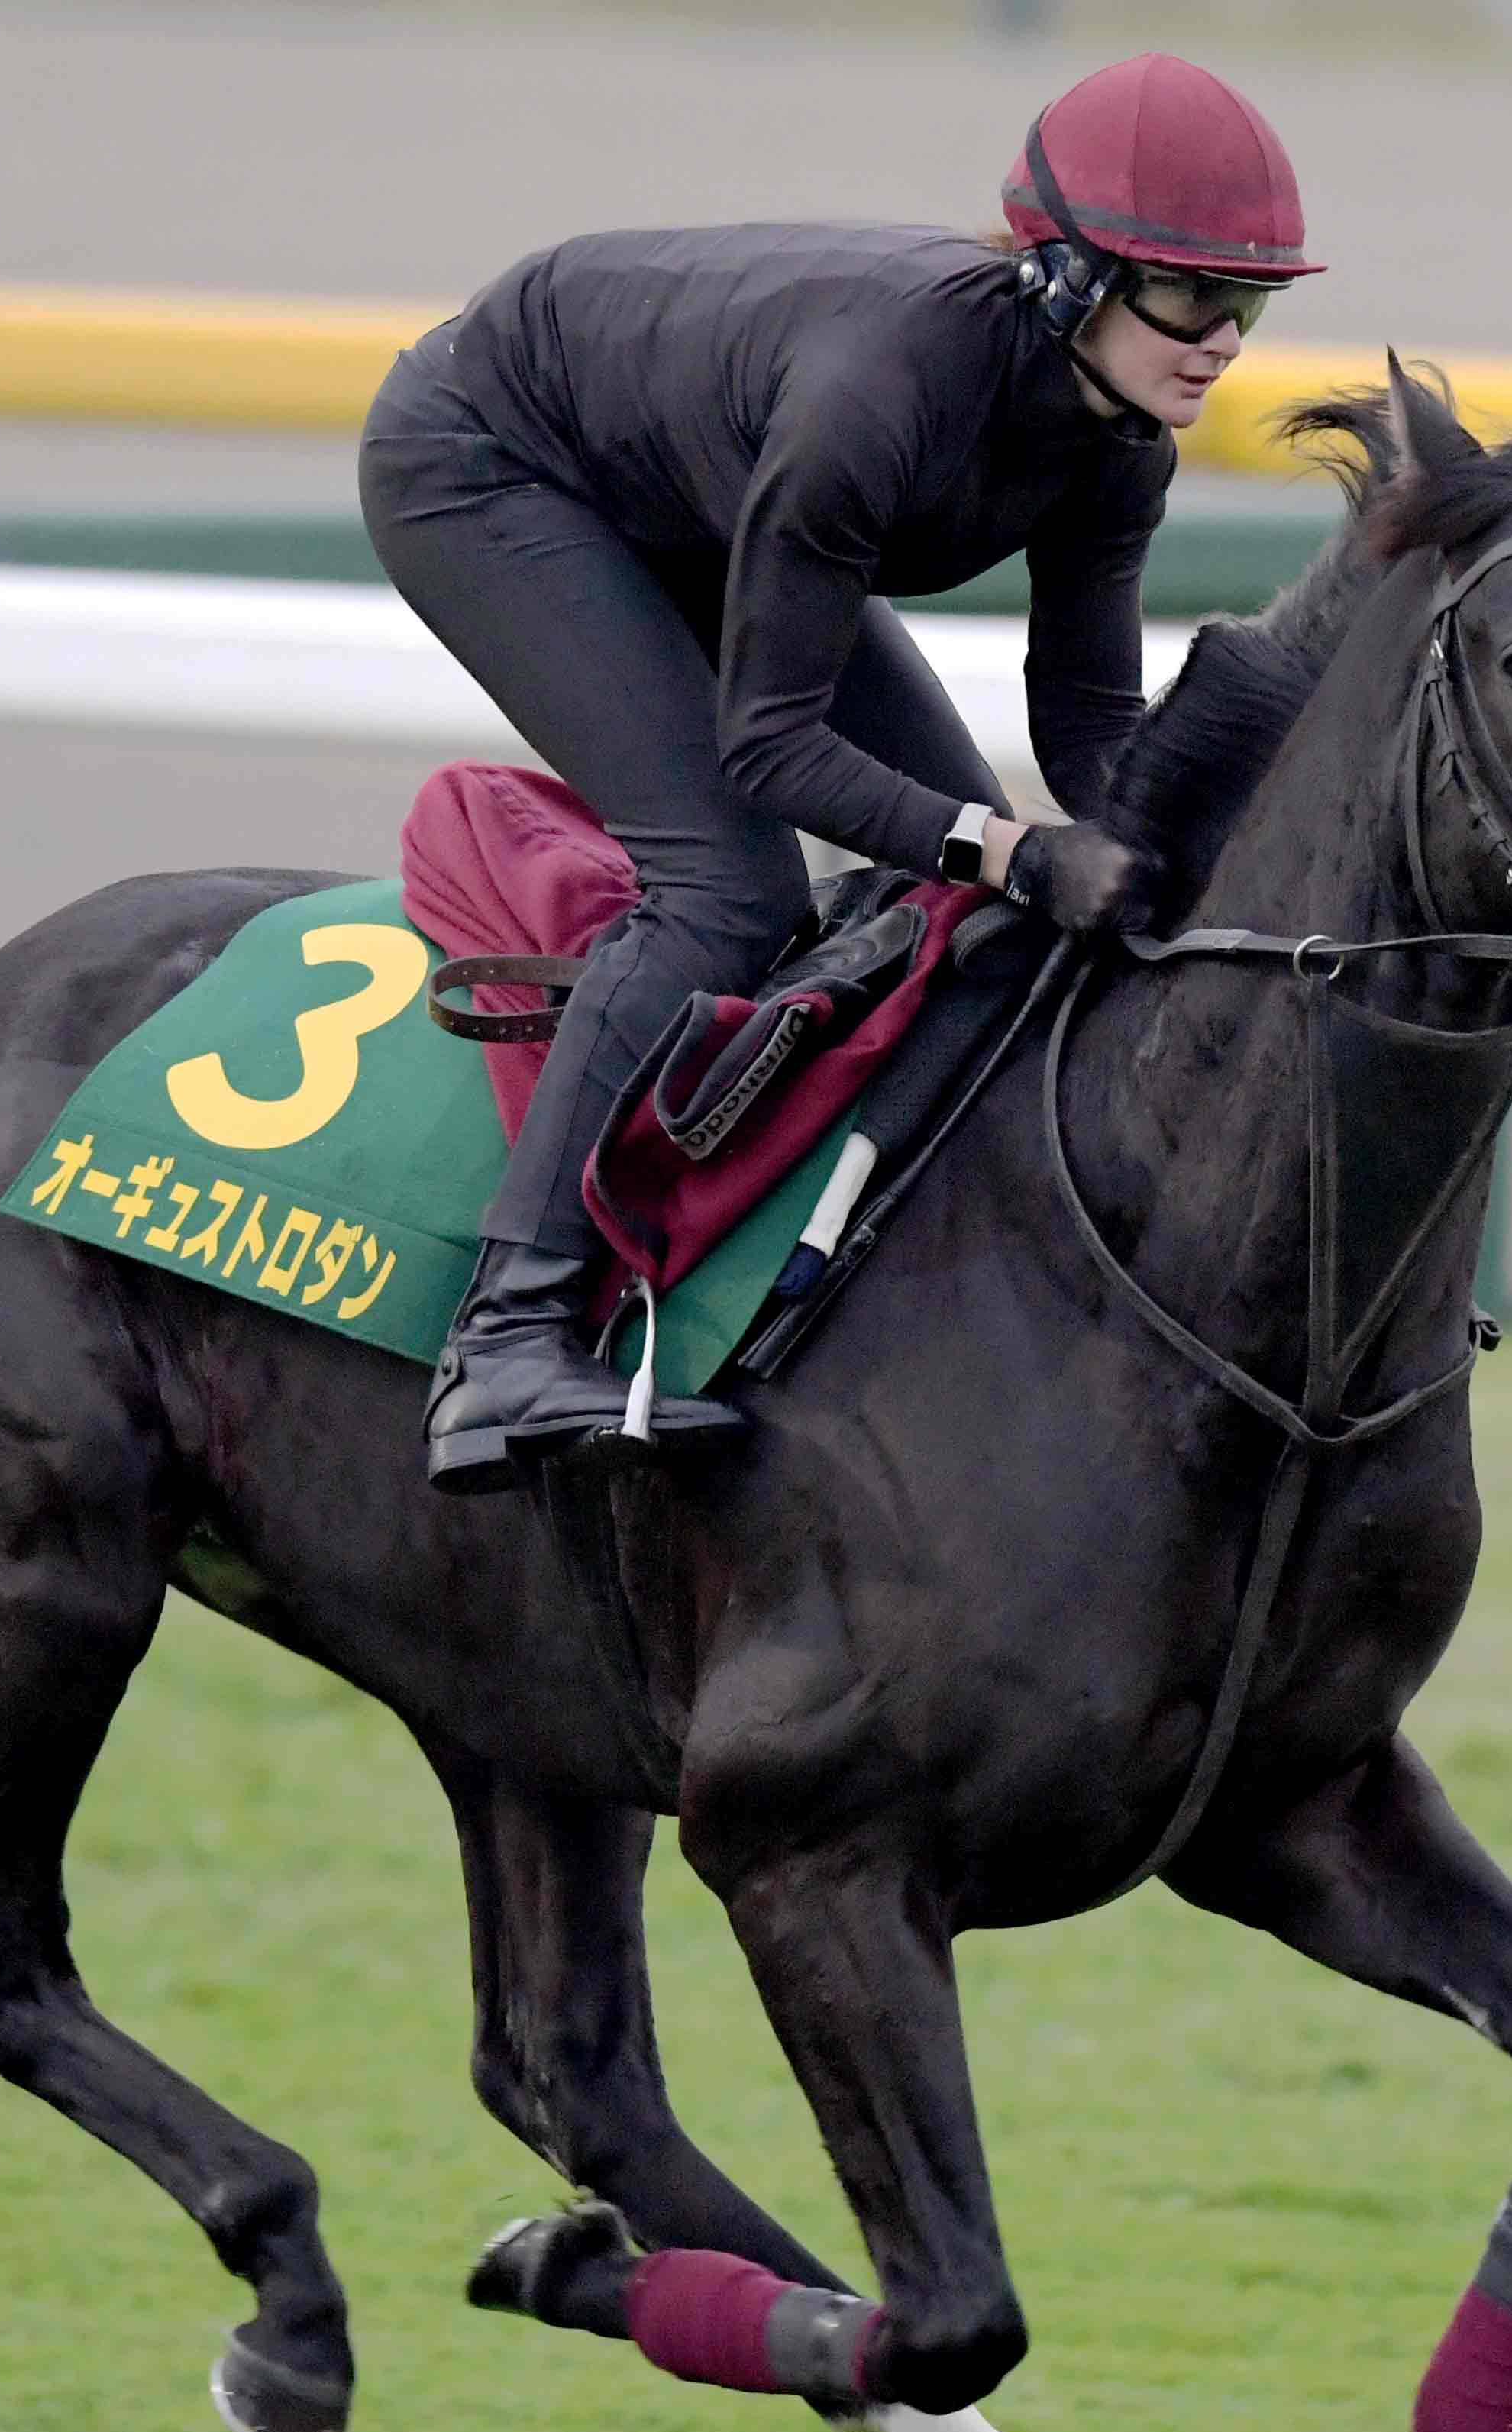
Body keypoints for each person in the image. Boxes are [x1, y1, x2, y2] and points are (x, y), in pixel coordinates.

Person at [360, 51, 1320, 1493]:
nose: (1222, 342)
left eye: (1249, 306)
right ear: (1065, 277)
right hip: (496, 462)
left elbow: (1086, 734)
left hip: (695, 476)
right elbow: (770, 746)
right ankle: (505, 1340)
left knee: (960, 902)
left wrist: (1208, 832)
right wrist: (1006, 847)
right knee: (724, 881)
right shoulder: (882, 392)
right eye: (1190, 297)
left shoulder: (1124, 445)